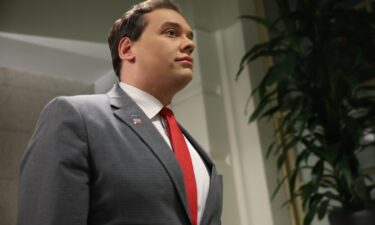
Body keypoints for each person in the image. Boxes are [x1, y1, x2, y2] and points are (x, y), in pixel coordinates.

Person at [16, 0, 223, 225]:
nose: (189, 44)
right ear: (127, 49)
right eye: (171, 33)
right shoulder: (76, 116)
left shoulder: (194, 149)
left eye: (190, 37)